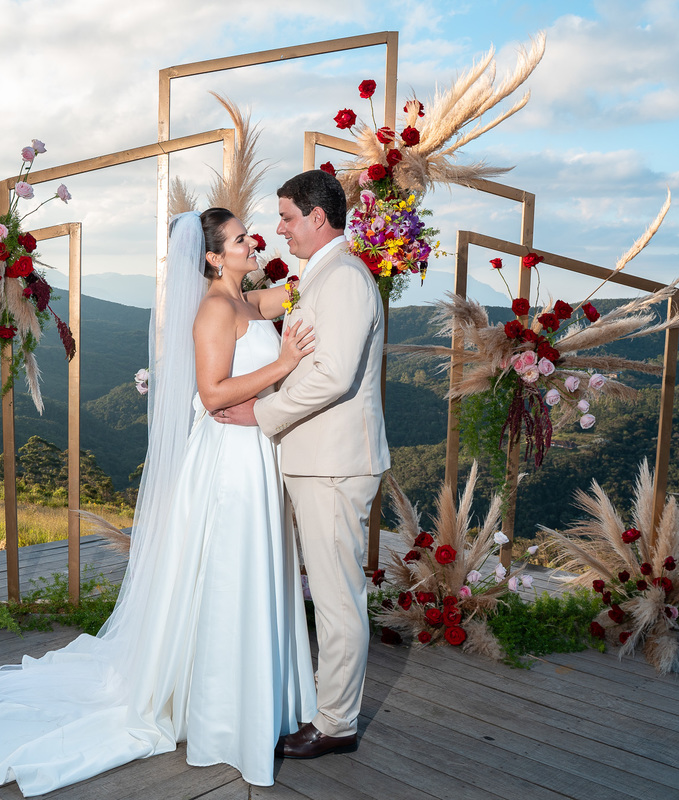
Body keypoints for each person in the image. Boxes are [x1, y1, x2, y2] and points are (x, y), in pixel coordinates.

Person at [0, 209, 317, 794]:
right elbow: (211, 391)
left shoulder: (249, 302)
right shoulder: (217, 310)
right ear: (214, 256)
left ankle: (248, 696)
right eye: (243, 238)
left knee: (246, 574)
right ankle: (220, 708)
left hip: (254, 458)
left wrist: (356, 254)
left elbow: (289, 296)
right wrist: (285, 363)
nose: (255, 242)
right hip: (228, 466)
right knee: (225, 575)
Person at [216, 169, 389, 759]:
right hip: (319, 458)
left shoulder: (341, 278)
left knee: (339, 598)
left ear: (318, 217)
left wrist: (263, 414)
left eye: (287, 217)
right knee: (332, 593)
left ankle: (337, 724)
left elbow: (334, 375)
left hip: (334, 463)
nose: (280, 230)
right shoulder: (323, 275)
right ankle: (324, 709)